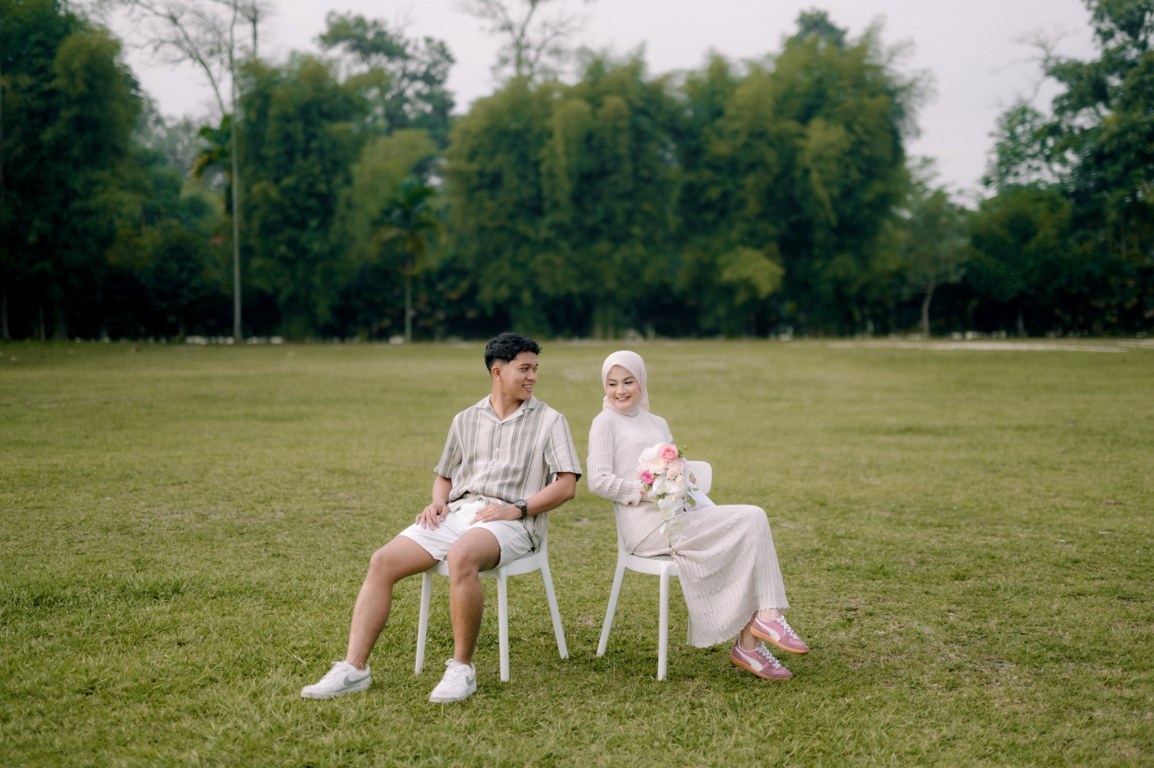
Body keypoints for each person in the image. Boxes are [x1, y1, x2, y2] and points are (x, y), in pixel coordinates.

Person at [302, 333, 582, 703]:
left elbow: (566, 485)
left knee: (461, 555)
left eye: (535, 369)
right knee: (382, 561)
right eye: (524, 369)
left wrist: (518, 507)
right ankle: (354, 669)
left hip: (513, 521)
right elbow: (445, 477)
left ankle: (462, 668)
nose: (533, 377)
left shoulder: (550, 421)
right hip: (458, 512)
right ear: (497, 372)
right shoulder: (465, 419)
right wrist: (437, 502)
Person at [586, 350, 809, 680]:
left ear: (641, 381)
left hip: (678, 517)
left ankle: (759, 628)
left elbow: (676, 465)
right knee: (749, 522)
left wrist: (678, 475)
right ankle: (760, 629)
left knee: (753, 518)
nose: (620, 390)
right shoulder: (604, 423)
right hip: (646, 529)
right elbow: (598, 480)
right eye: (612, 383)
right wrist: (647, 489)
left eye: (628, 382)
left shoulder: (657, 422)